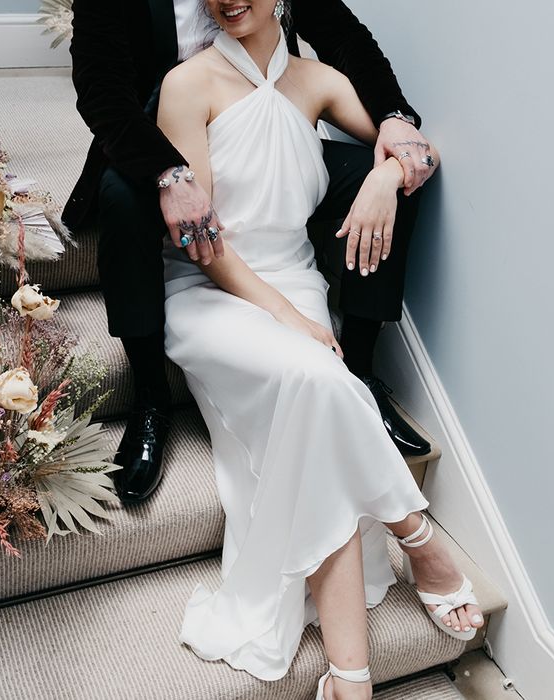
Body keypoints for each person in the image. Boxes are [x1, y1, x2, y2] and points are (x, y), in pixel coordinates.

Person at [155, 3, 482, 698]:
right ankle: (419, 538)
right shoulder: (188, 85)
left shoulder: (320, 81)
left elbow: (417, 149)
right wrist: (282, 317)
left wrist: (383, 180)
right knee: (318, 377)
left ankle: (349, 676)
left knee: (313, 411)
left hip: (297, 281)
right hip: (215, 295)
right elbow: (202, 244)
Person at [63, 0, 436, 504]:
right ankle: (150, 396)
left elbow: (346, 37)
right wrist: (169, 174)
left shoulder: (308, 76)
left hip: (262, 134)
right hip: (153, 143)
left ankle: (362, 371)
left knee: (393, 186)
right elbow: (102, 91)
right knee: (120, 202)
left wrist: (393, 127)